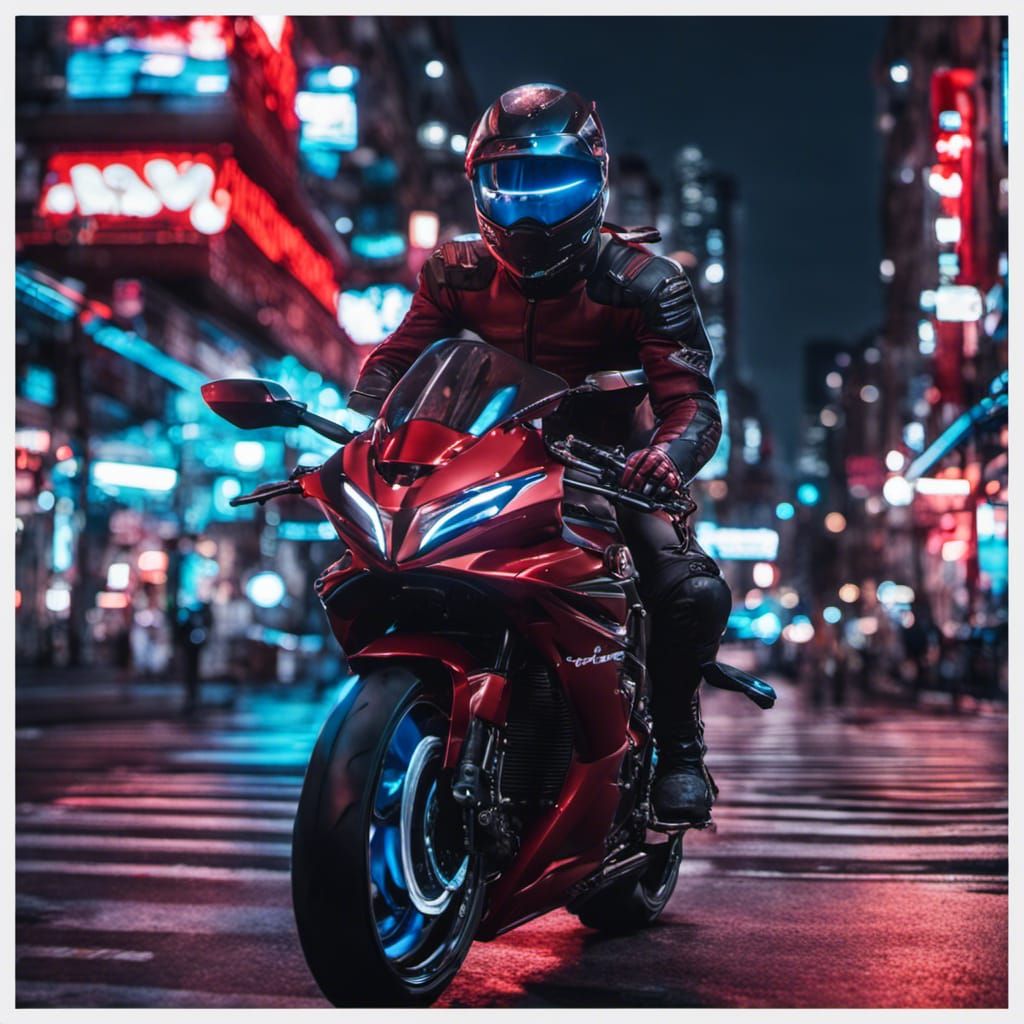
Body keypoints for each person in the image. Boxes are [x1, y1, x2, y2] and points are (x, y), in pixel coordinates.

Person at [347, 84, 730, 824]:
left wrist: (665, 459)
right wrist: (366, 421)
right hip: (486, 456)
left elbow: (691, 404)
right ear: (478, 188)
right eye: (509, 184)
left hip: (610, 468)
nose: (529, 207)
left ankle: (680, 749)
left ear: (596, 186)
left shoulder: (647, 282)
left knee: (687, 589)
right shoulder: (453, 271)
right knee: (376, 553)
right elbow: (396, 361)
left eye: (553, 185)